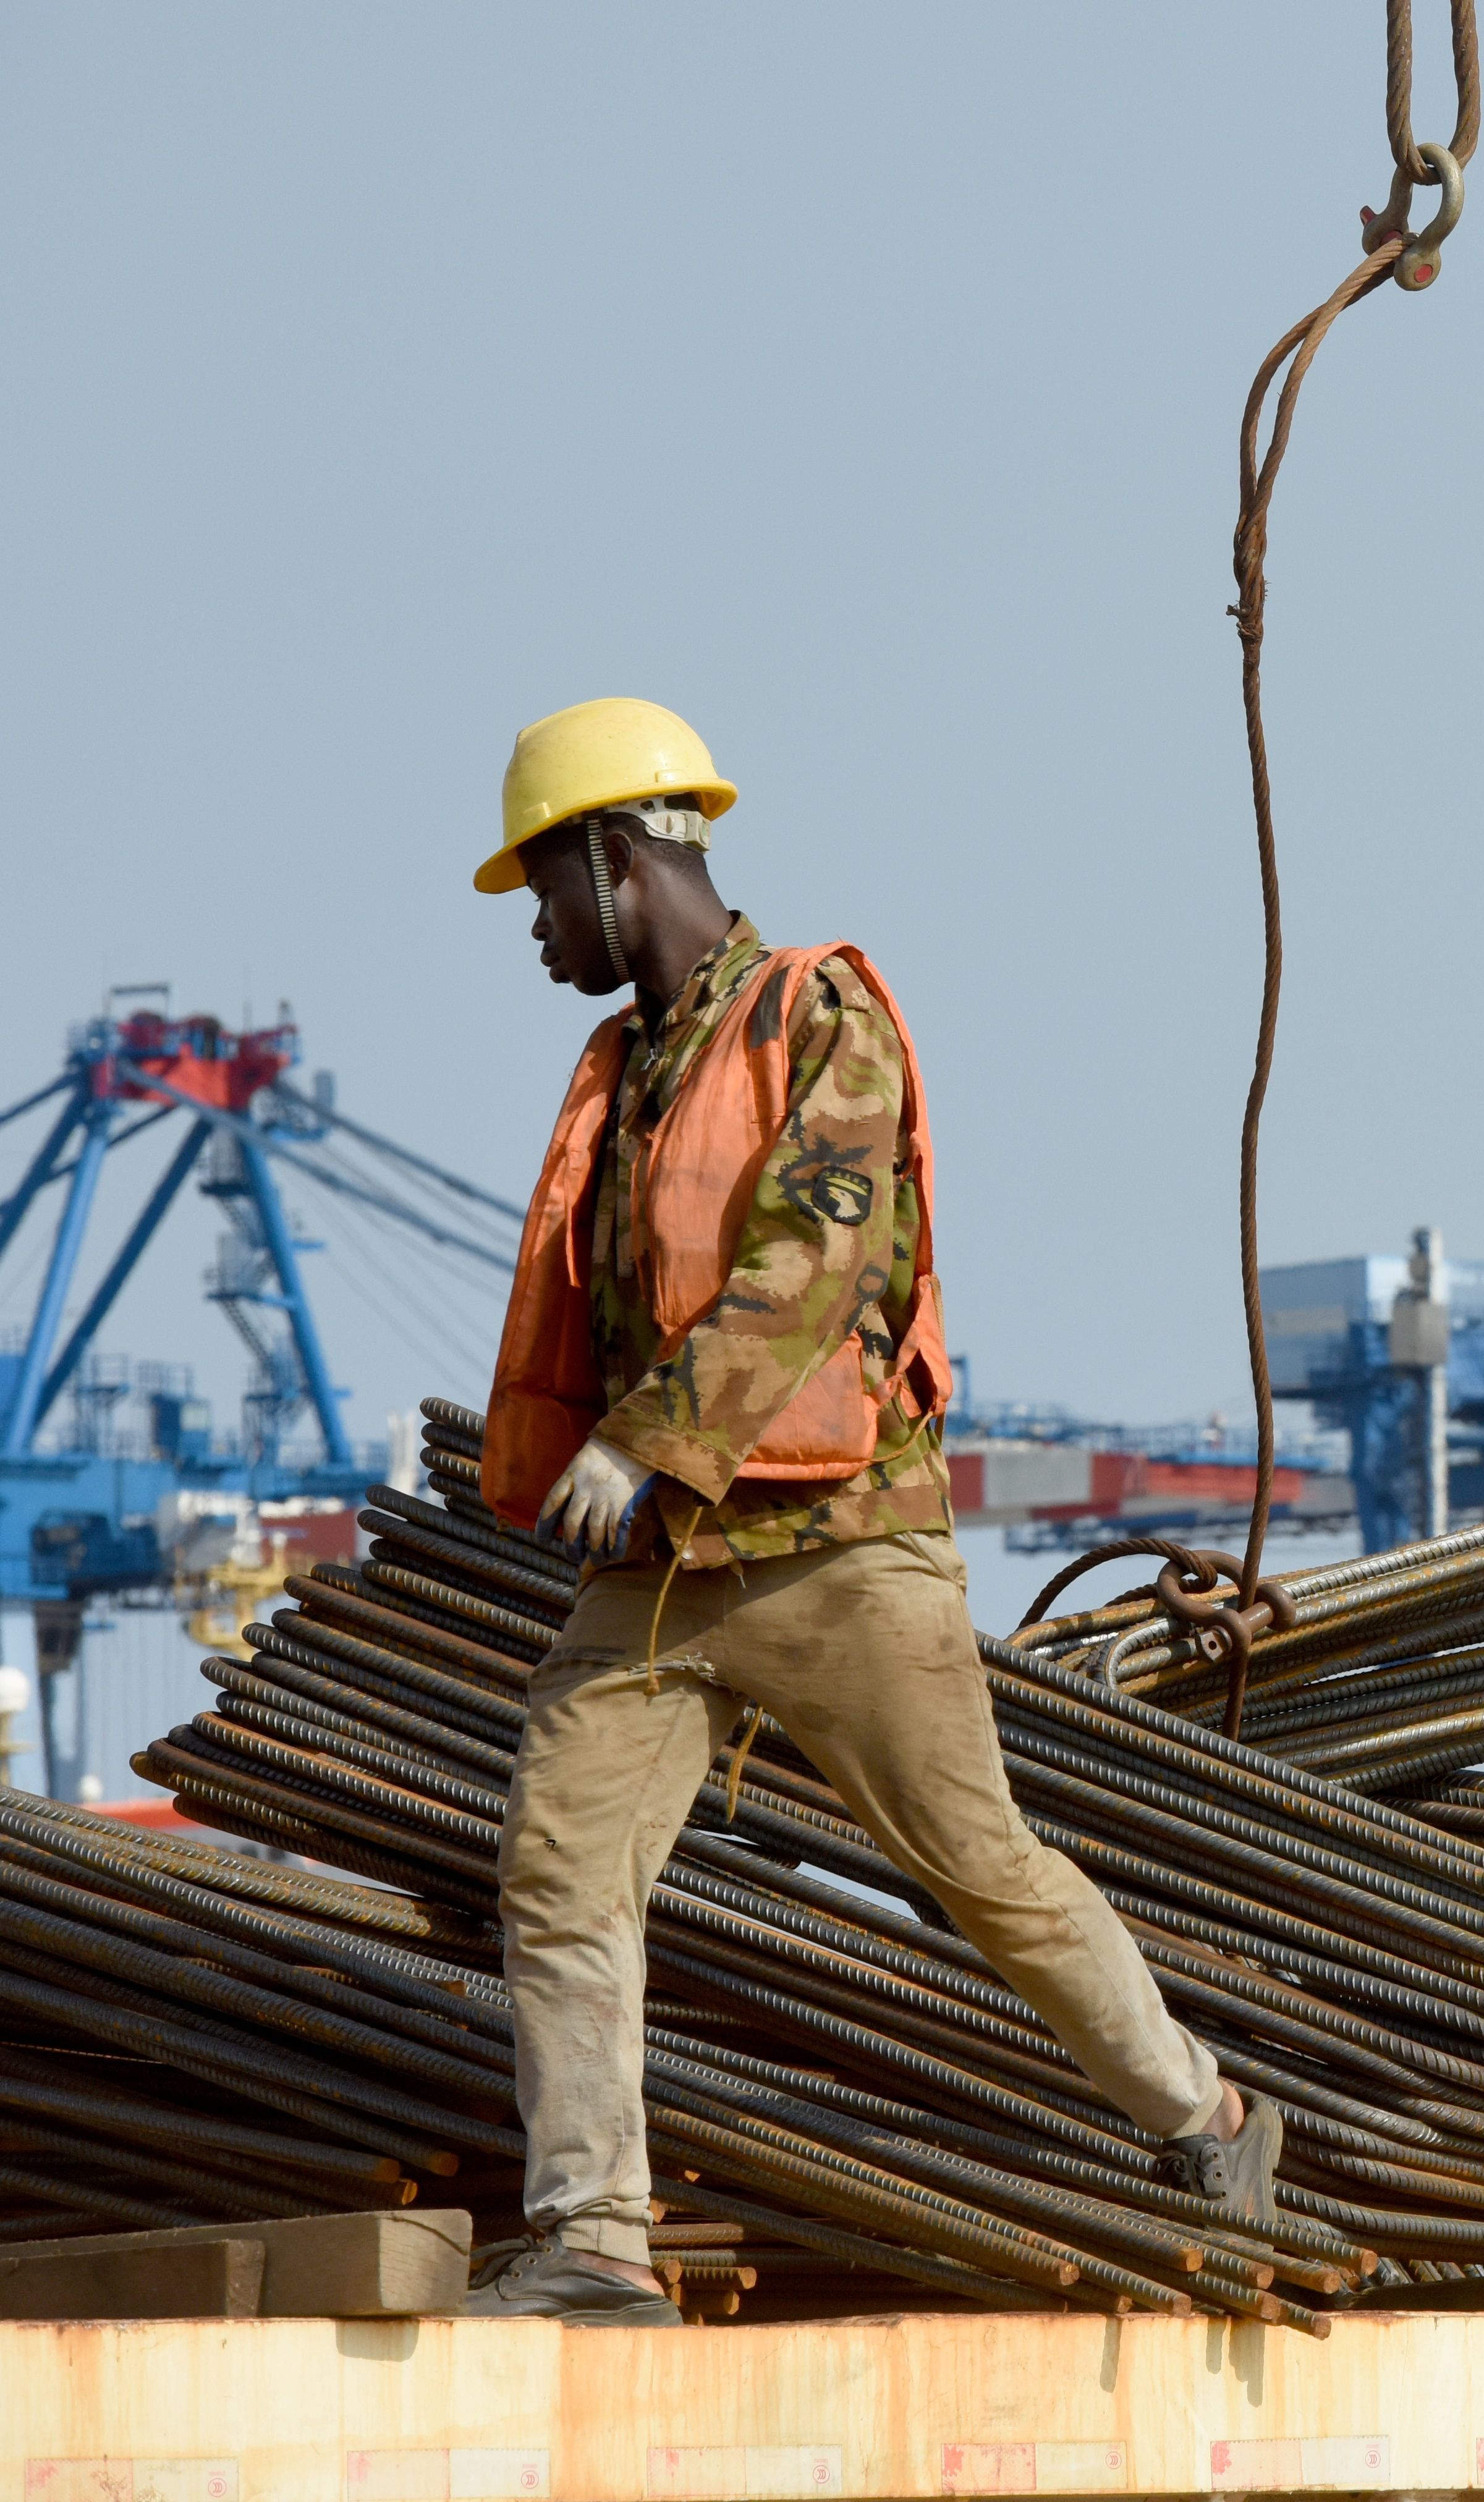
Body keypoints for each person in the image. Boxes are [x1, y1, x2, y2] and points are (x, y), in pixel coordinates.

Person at [461, 697, 1278, 2323]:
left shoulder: (812, 1013)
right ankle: (595, 2241)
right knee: (560, 1865)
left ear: (622, 862)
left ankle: (1211, 2114)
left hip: (841, 1548)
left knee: (981, 1871)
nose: (540, 935)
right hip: (669, 1572)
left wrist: (658, 1436)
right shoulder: (626, 1068)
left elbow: (812, 1252)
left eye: (547, 894)